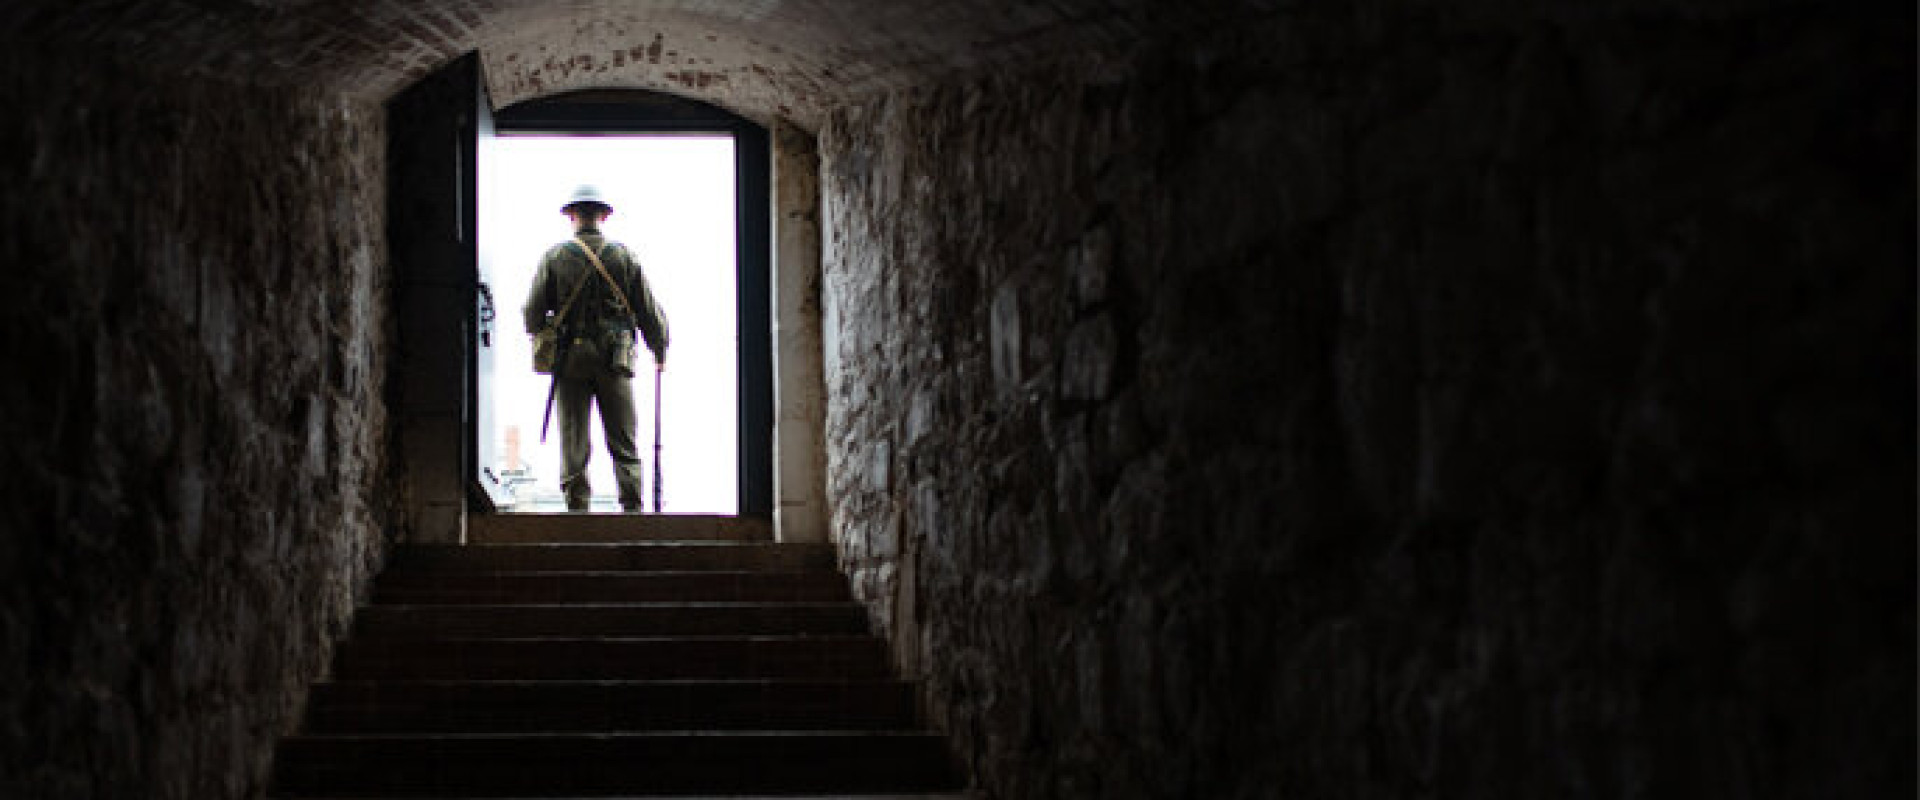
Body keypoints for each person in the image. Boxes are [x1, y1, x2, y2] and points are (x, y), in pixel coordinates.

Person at [523, 185, 669, 512]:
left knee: (574, 438)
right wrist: (659, 348)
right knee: (623, 438)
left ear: (571, 216)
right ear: (603, 216)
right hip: (614, 357)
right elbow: (647, 309)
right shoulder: (623, 256)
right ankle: (631, 507)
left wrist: (548, 330)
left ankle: (577, 508)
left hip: (570, 358)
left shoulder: (555, 257)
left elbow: (532, 314)